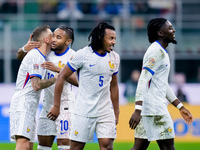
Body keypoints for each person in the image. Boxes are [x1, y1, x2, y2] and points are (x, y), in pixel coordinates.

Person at [48, 22, 120, 150]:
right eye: (111, 38)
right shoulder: (82, 55)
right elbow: (62, 76)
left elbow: (114, 86)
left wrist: (116, 111)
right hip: (83, 111)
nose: (114, 42)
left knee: (107, 146)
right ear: (100, 38)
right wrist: (56, 106)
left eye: (114, 38)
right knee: (76, 147)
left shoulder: (114, 57)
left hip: (105, 111)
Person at [129, 18, 193, 150]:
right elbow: (143, 79)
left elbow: (162, 84)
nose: (173, 30)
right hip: (156, 110)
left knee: (138, 148)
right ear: (160, 33)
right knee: (169, 148)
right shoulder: (156, 52)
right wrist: (137, 109)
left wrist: (180, 106)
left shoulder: (160, 51)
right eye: (170, 28)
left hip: (148, 109)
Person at [17, 26, 78, 150]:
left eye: (58, 37)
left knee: (64, 146)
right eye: (54, 36)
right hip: (47, 107)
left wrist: (59, 70)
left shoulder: (73, 56)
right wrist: (24, 48)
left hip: (65, 106)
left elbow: (77, 81)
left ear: (68, 41)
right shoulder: (46, 52)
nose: (54, 40)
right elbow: (22, 57)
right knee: (43, 147)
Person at [9, 25, 54, 150]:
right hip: (23, 105)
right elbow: (36, 85)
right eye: (52, 35)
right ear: (46, 39)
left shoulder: (39, 56)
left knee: (28, 147)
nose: (54, 38)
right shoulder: (36, 56)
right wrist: (57, 78)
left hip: (29, 107)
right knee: (23, 146)